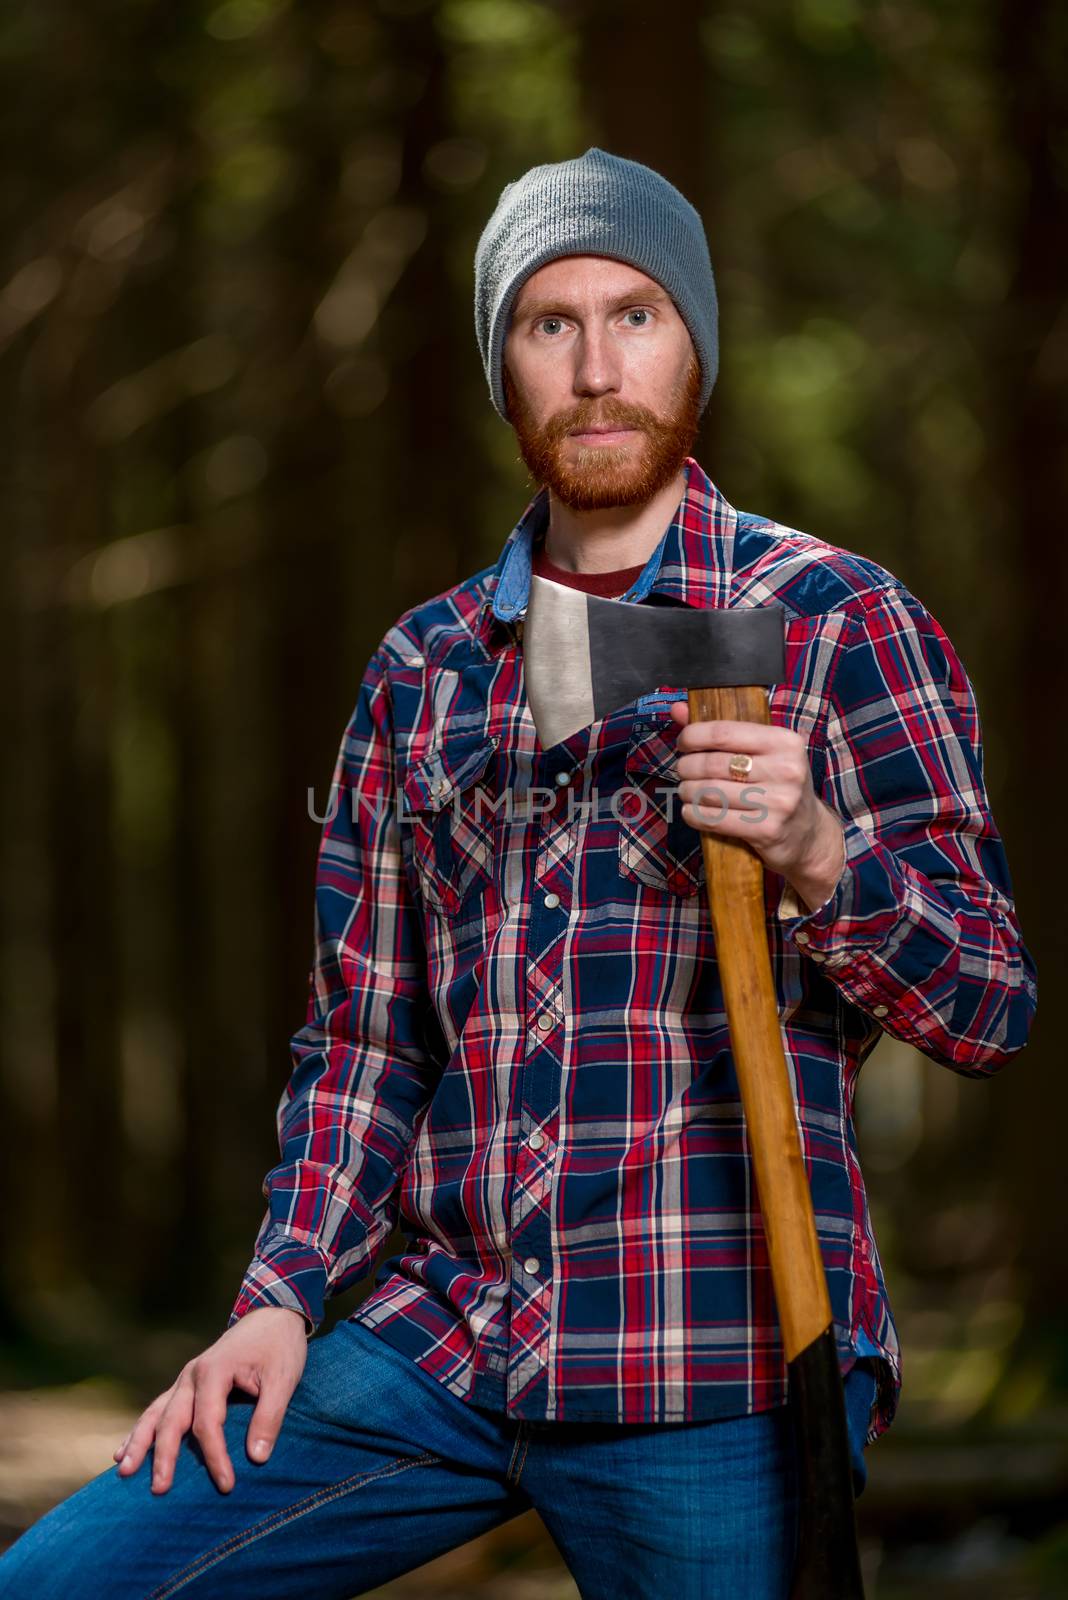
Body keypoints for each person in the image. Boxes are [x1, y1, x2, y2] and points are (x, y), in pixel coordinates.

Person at [0, 147, 1036, 1599]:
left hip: (715, 1345)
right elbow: (365, 1043)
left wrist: (818, 854)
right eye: (551, 324)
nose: (598, 365)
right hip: (445, 1337)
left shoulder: (833, 620)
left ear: (696, 348)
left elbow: (991, 1004)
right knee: (60, 1585)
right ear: (505, 367)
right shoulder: (428, 670)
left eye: (637, 315)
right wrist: (281, 1295)